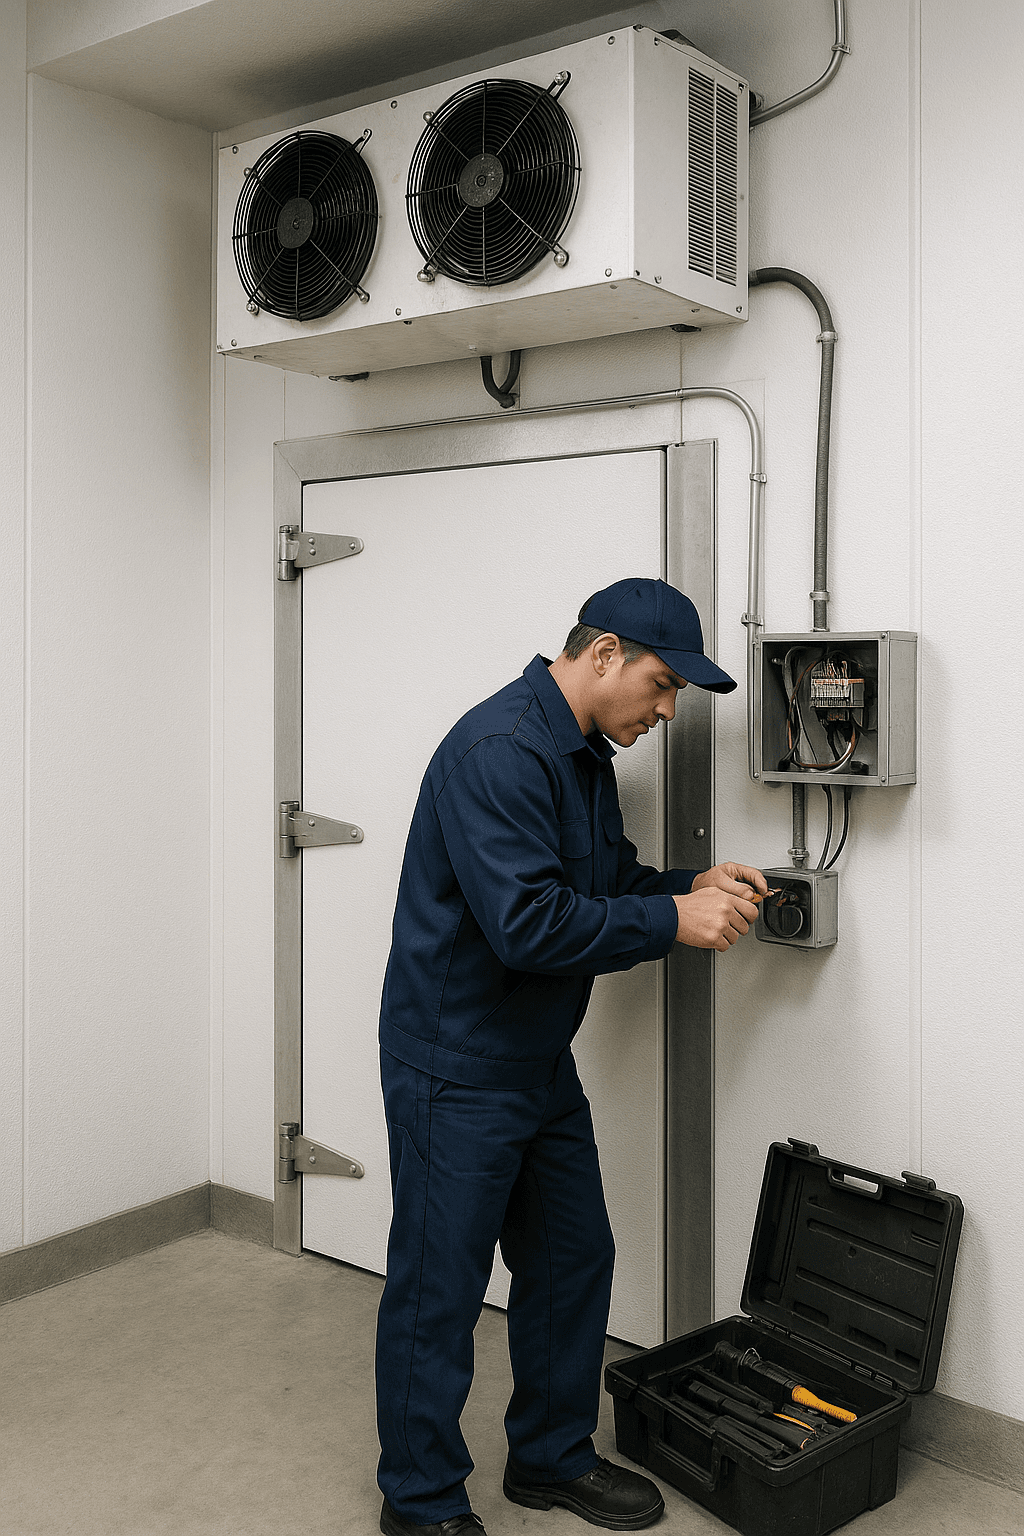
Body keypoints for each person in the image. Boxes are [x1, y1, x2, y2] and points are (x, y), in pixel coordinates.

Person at [375, 578, 767, 1536]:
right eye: (664, 683)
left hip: (535, 1058)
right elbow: (528, 925)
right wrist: (672, 920)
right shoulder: (500, 751)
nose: (669, 711)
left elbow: (598, 886)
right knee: (441, 1288)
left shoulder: (581, 755)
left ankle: (549, 1460)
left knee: (570, 1258)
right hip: (455, 1064)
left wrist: (685, 885)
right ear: (603, 655)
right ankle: (419, 1503)